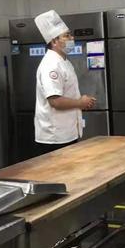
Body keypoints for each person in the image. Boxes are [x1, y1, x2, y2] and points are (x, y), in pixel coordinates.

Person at [34, 10, 96, 156]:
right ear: (54, 41)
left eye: (70, 35)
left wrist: (82, 102)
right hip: (55, 137)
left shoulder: (64, 61)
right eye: (67, 36)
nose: (72, 38)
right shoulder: (51, 64)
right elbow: (55, 101)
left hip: (67, 132)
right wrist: (80, 103)